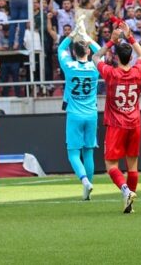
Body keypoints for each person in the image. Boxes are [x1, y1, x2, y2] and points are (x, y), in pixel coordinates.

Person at [94, 21, 141, 214]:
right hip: (134, 122)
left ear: (116, 57)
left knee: (111, 165)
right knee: (132, 165)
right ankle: (130, 203)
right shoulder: (138, 71)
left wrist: (110, 42)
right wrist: (130, 36)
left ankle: (125, 191)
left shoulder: (110, 73)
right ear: (130, 57)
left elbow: (95, 56)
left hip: (116, 124)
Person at [56, 24, 101, 200]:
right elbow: (101, 52)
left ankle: (84, 182)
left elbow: (60, 48)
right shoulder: (95, 67)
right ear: (88, 52)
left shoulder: (69, 66)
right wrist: (87, 37)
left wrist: (73, 34)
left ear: (74, 53)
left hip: (74, 115)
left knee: (73, 153)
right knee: (88, 151)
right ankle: (87, 191)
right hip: (91, 114)